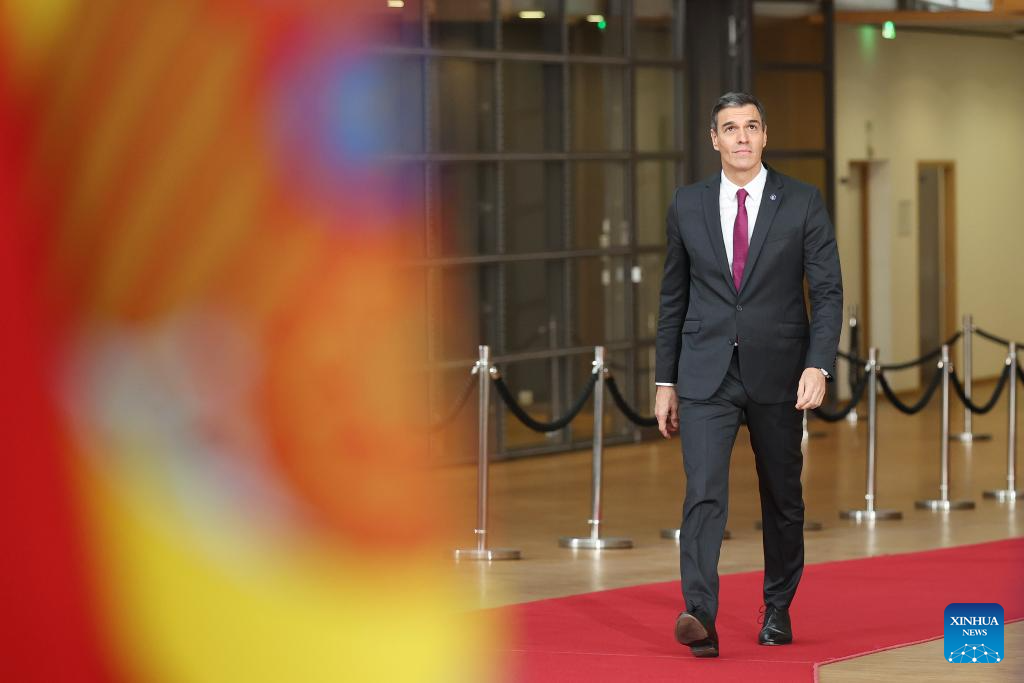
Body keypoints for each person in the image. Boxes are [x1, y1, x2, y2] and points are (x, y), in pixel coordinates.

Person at [653, 92, 842, 658]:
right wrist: (665, 380)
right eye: (730, 128)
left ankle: (777, 607)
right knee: (703, 493)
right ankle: (700, 613)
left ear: (764, 136)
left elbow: (827, 292)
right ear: (714, 139)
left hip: (780, 372)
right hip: (704, 372)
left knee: (782, 495)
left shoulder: (802, 201)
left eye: (752, 126)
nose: (742, 137)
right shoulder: (687, 203)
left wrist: (818, 363)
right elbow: (673, 297)